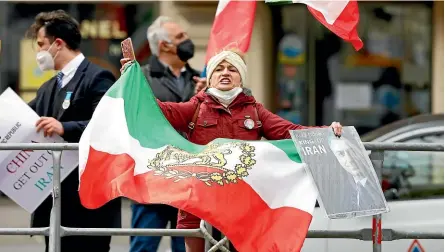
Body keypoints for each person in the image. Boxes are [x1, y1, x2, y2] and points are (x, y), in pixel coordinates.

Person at [122, 48, 343, 252]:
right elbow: (158, 111)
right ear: (210, 78)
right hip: (199, 206)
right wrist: (132, 82)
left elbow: (290, 132)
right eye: (218, 69)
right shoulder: (196, 106)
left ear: (241, 77)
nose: (225, 73)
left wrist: (326, 132)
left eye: (232, 69)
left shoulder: (255, 110)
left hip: (242, 207)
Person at [27, 10, 121, 252]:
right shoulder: (48, 87)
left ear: (58, 44)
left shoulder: (97, 77)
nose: (38, 52)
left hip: (87, 203)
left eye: (41, 44)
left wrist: (64, 127)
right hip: (54, 199)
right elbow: (23, 119)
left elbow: (110, 125)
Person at [125, 16, 205, 252]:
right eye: (180, 37)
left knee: (186, 247)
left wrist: (207, 95)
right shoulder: (141, 77)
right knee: (144, 246)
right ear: (163, 45)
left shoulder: (202, 79)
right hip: (153, 178)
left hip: (191, 178)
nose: (187, 41)